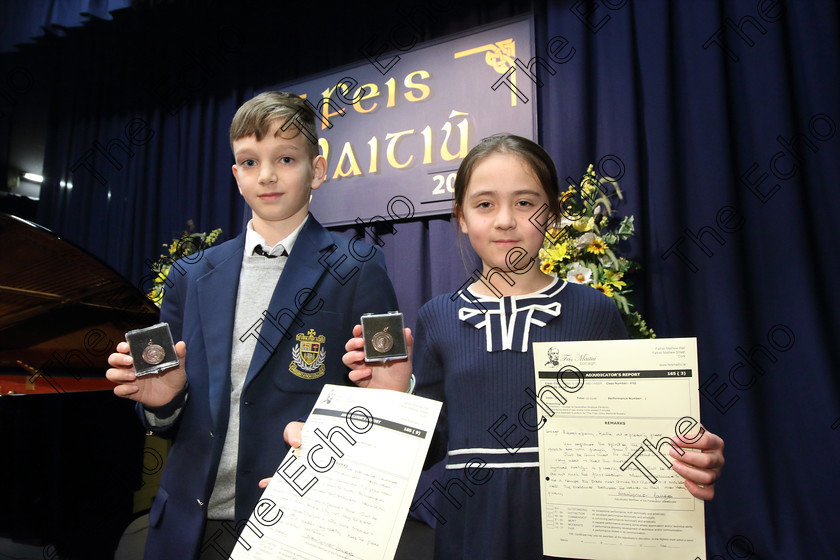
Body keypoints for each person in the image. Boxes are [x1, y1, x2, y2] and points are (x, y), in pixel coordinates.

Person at [335, 134, 725, 559]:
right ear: (460, 217)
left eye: (525, 203)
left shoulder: (594, 310)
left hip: (577, 537)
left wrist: (687, 458)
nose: (505, 220)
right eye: (484, 204)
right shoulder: (437, 317)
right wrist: (391, 399)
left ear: (553, 214)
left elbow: (629, 438)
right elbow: (425, 451)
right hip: (470, 534)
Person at [106, 91, 399, 560]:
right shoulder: (190, 275)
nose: (266, 175)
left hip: (297, 522)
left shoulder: (360, 265)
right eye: (248, 161)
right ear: (236, 174)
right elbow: (162, 411)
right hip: (188, 529)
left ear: (317, 170)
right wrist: (164, 403)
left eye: (285, 158)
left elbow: (378, 396)